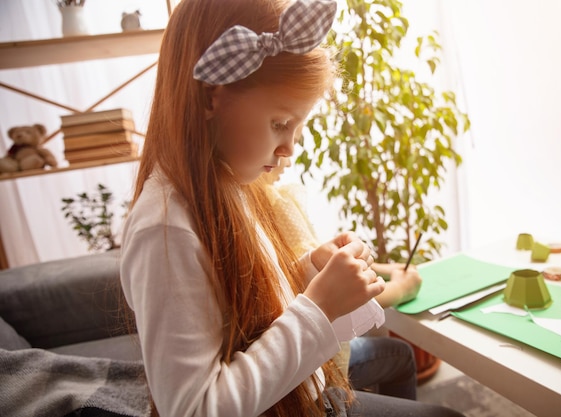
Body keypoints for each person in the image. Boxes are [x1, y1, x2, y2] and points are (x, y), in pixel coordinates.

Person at [119, 0, 465, 416]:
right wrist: (318, 307)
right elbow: (195, 408)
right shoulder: (165, 230)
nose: (289, 148)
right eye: (280, 123)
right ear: (213, 95)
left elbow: (240, 320)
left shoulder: (227, 183)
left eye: (298, 127)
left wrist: (307, 273)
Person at [263, 156, 422, 401]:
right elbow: (337, 291)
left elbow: (317, 260)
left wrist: (382, 267)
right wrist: (402, 289)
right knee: (401, 355)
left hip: (302, 360)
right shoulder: (276, 203)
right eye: (279, 126)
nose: (289, 157)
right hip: (320, 368)